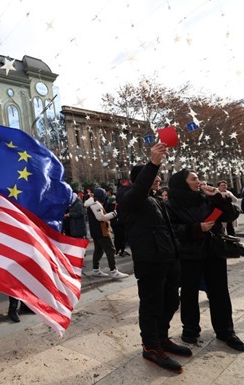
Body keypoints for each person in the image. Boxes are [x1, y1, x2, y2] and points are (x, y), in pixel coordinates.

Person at [116, 142, 191, 374]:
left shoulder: (156, 199)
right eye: (154, 179)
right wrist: (153, 162)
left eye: (158, 179)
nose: (158, 182)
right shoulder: (128, 197)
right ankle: (150, 347)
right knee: (152, 306)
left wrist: (176, 255)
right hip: (149, 262)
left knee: (171, 302)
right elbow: (138, 191)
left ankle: (161, 338)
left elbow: (166, 229)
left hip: (168, 260)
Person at [165, 170, 244, 352]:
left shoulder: (206, 198)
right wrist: (195, 228)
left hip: (213, 252)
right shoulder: (171, 205)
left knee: (219, 292)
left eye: (198, 178)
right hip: (189, 255)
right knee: (189, 293)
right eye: (193, 179)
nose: (198, 182)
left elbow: (230, 215)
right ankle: (190, 329)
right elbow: (171, 231)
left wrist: (217, 197)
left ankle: (226, 331)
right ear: (182, 183)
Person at [84, 188, 129, 278]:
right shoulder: (96, 204)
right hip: (102, 231)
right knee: (110, 250)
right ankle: (113, 270)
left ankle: (96, 269)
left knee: (99, 250)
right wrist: (113, 214)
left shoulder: (91, 203)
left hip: (96, 231)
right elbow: (100, 217)